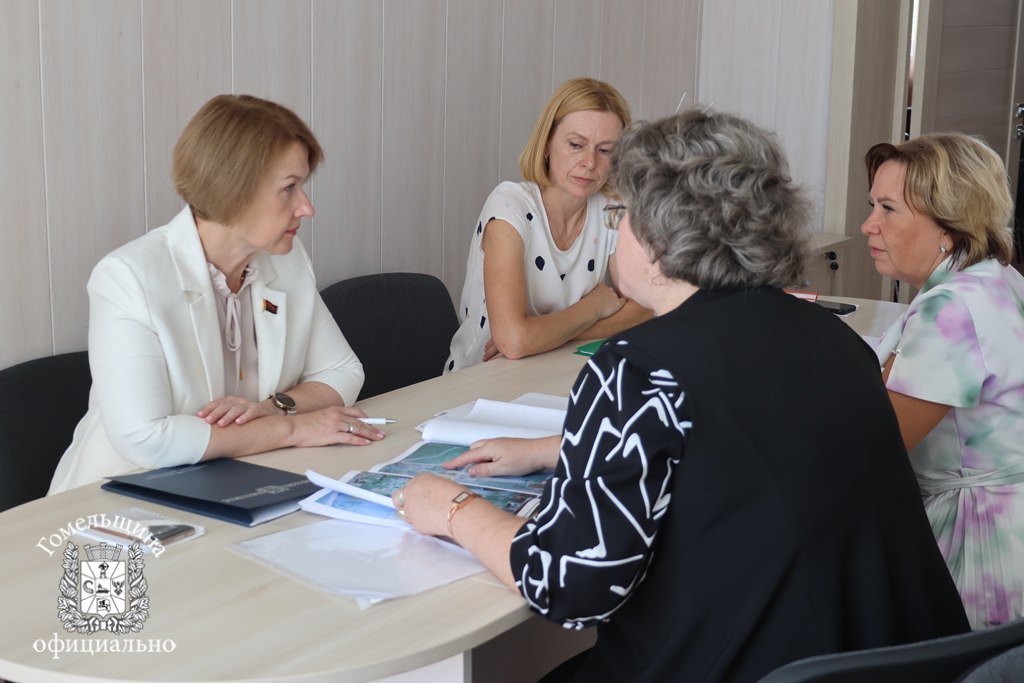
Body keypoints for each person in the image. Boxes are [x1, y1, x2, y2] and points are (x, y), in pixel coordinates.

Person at [397, 110, 970, 681]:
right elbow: (735, 448)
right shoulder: (835, 339)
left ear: (659, 236)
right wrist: (558, 448)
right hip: (884, 663)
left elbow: (570, 586)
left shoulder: (639, 368)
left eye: (622, 215)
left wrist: (452, 510)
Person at [49, 95, 384, 494]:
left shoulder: (286, 259)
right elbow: (145, 437)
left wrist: (271, 408)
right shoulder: (129, 277)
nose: (306, 208)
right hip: (120, 495)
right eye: (289, 188)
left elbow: (343, 371)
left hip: (242, 479)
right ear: (234, 190)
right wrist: (291, 429)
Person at [861, 132, 1024, 629]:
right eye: (872, 205)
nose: (869, 225)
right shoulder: (999, 277)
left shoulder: (949, 308)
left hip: (977, 547)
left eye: (889, 209)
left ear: (949, 229)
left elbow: (874, 448)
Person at [444, 78, 650, 373]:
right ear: (547, 145)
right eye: (576, 145)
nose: (589, 162)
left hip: (554, 370)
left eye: (605, 150)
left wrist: (546, 335)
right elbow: (514, 341)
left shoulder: (612, 209)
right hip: (479, 379)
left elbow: (645, 307)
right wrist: (592, 308)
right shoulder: (509, 206)